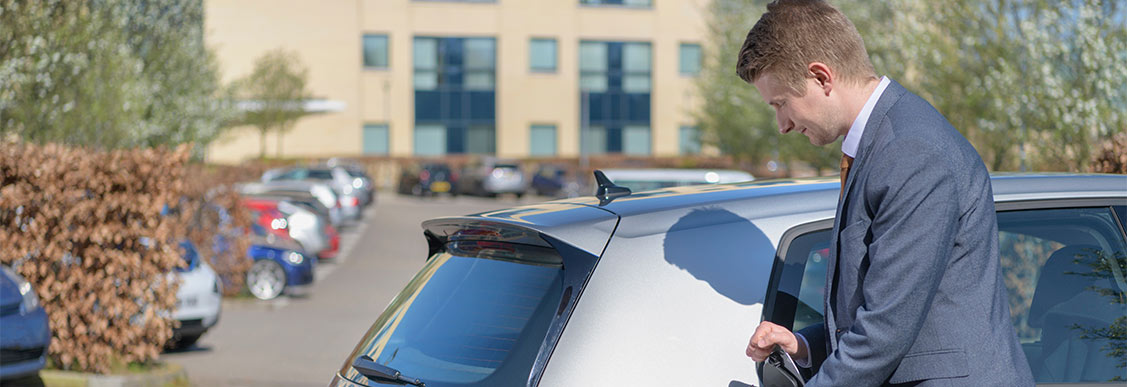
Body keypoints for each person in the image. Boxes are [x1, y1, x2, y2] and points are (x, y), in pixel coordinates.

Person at [736, 1, 1035, 386]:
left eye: (780, 104)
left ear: (821, 77)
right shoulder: (883, 144)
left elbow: (887, 326)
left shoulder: (911, 150)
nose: (782, 125)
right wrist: (804, 345)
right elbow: (888, 309)